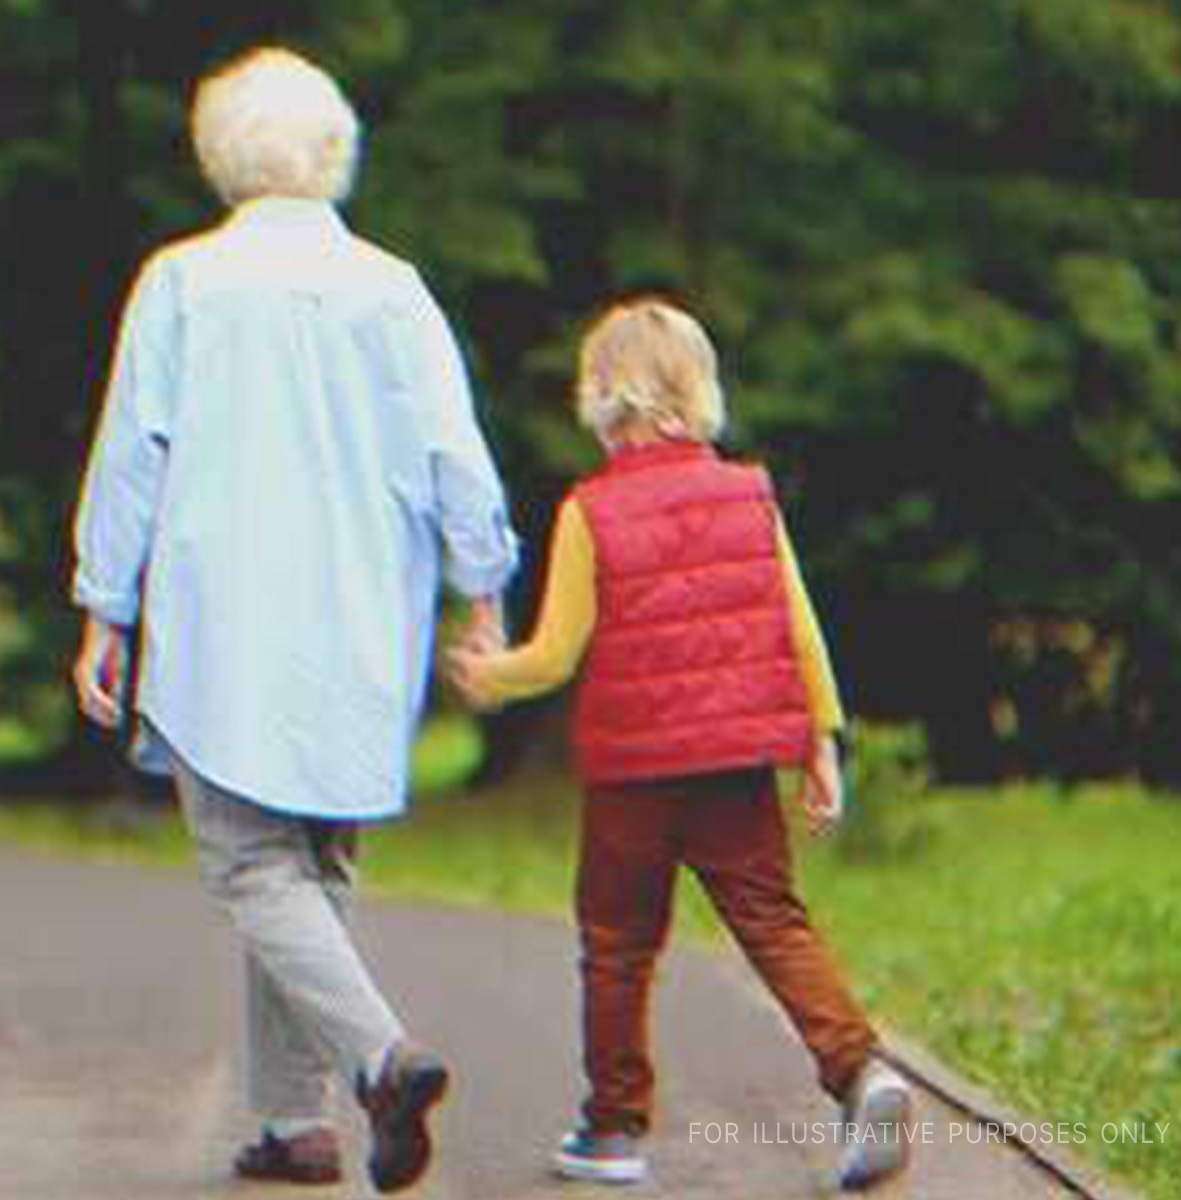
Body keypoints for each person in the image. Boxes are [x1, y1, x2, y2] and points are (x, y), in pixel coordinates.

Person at [67, 46, 519, 1194]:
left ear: (220, 155)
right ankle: (293, 1124)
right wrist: (485, 591)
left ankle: (377, 1060)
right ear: (334, 152)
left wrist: (104, 608)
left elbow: (133, 457)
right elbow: (453, 455)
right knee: (310, 862)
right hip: (365, 615)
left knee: (250, 865)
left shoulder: (182, 283)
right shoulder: (394, 288)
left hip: (227, 619)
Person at [443, 298, 912, 1192]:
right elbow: (798, 626)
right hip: (737, 765)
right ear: (700, 392)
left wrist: (485, 671)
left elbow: (555, 654)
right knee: (774, 921)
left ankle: (613, 1131)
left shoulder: (590, 510)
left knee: (618, 942)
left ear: (599, 397)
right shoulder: (750, 495)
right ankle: (861, 1072)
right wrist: (820, 738)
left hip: (635, 774)